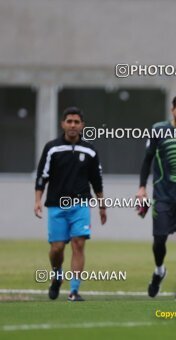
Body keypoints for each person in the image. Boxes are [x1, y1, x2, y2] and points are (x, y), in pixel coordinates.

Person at [34, 107, 106, 302]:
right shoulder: (52, 148)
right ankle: (57, 275)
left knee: (78, 244)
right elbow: (42, 175)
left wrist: (102, 205)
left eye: (76, 122)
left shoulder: (90, 150)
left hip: (81, 204)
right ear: (63, 124)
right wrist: (37, 200)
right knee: (57, 249)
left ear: (82, 125)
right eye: (69, 121)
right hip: (56, 205)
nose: (73, 125)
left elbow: (96, 180)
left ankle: (74, 290)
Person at [136, 95, 176, 300]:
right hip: (161, 194)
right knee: (159, 240)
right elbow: (147, 160)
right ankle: (160, 270)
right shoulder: (158, 130)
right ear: (172, 110)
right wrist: (142, 188)